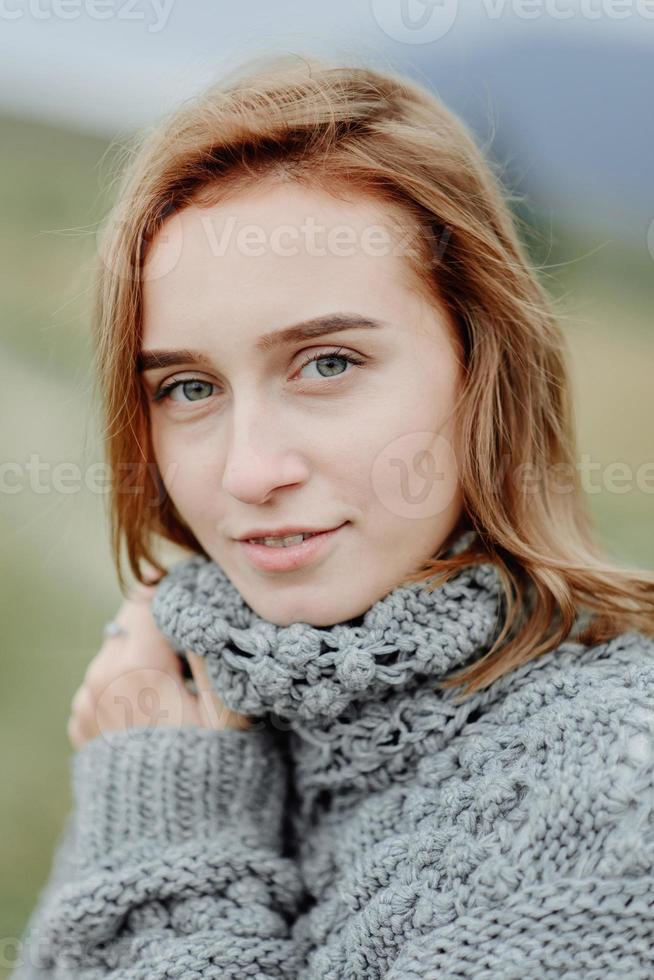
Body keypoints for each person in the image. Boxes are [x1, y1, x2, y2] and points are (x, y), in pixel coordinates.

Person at [12, 53, 654, 979]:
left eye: (328, 364)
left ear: (484, 369)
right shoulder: (180, 709)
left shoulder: (615, 784)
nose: (250, 470)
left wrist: (173, 854)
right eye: (189, 387)